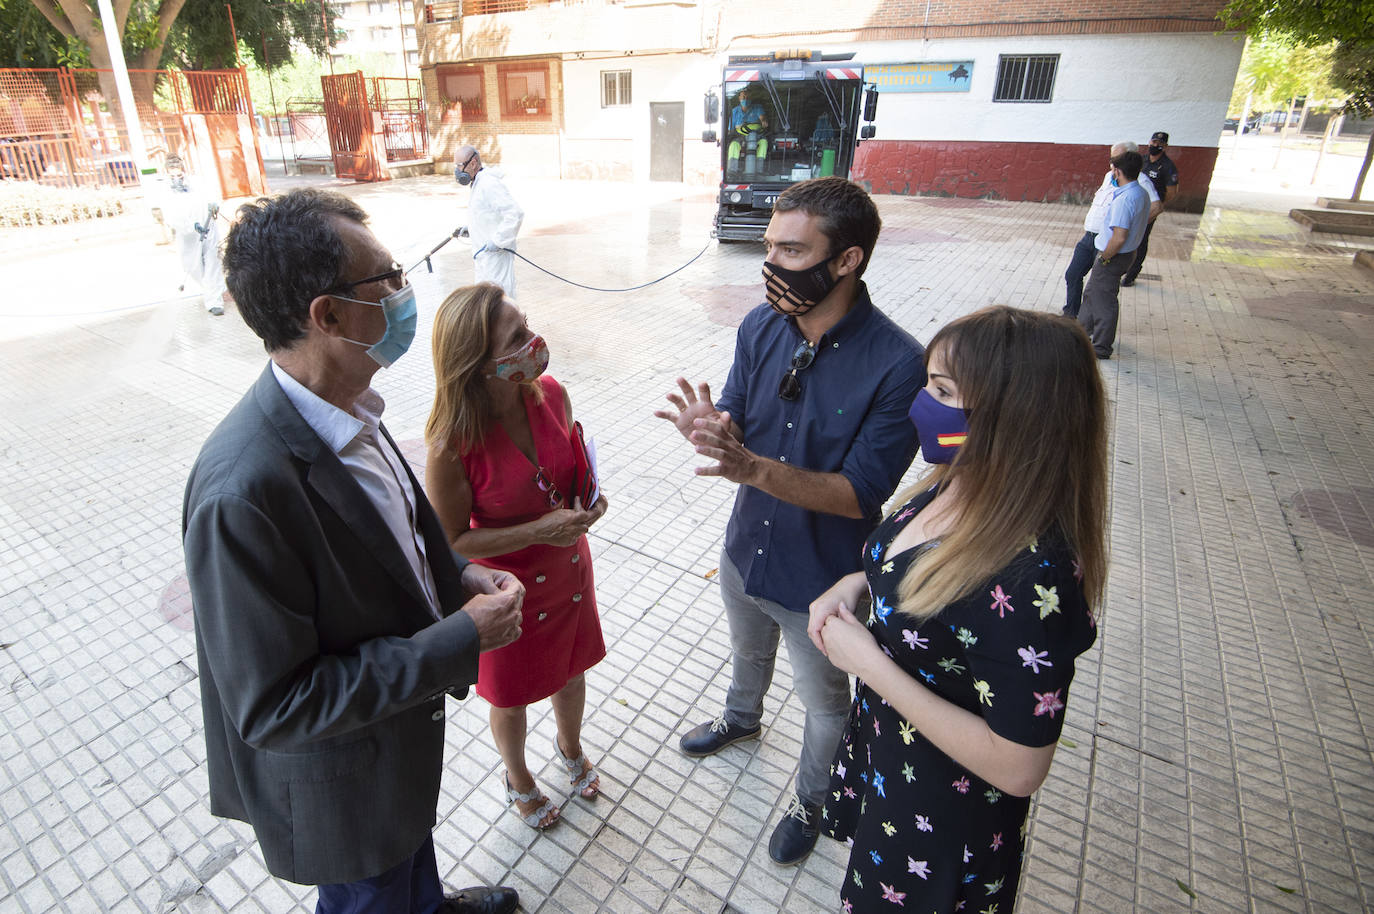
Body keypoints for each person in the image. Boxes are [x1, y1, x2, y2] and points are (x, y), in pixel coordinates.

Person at [183, 188, 522, 914]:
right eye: (388, 277)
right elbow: (275, 706)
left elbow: (397, 541)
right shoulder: (242, 493)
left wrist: (460, 576)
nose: (404, 293)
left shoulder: (351, 408)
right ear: (328, 315)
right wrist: (460, 638)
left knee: (407, 853)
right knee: (371, 890)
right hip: (343, 782)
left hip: (393, 750)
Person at [656, 176, 925, 866]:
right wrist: (715, 429)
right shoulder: (760, 326)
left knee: (826, 704)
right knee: (747, 653)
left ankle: (813, 799)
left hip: (822, 582)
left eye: (793, 251)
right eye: (770, 246)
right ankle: (741, 719)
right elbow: (740, 413)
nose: (771, 264)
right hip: (746, 550)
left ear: (847, 260)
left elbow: (862, 494)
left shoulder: (900, 364)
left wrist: (750, 468)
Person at [811, 305, 1106, 914]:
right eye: (929, 384)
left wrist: (868, 665)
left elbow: (1020, 767)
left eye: (943, 392)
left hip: (941, 823)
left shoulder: (1032, 576)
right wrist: (858, 581)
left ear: (1011, 418)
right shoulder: (957, 477)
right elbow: (926, 573)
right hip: (893, 767)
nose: (922, 405)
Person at [425, 282, 608, 832]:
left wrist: (590, 503)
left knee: (571, 671)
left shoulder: (551, 393)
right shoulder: (451, 443)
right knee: (511, 697)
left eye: (526, 324)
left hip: (569, 570)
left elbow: (573, 474)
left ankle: (570, 747)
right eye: (516, 337)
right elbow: (452, 541)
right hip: (507, 590)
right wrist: (540, 529)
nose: (534, 341)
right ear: (477, 364)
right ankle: (518, 777)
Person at [1062, 141, 1159, 319]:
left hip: (1108, 242)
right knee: (1073, 275)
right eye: (1111, 158)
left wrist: (1133, 228)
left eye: (1116, 159)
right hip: (1090, 236)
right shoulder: (1110, 176)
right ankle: (1071, 315)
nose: (1112, 164)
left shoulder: (1141, 181)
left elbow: (1156, 206)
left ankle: (1093, 325)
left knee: (1099, 290)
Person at [1078, 148, 1150, 359]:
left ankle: (1101, 347)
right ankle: (1079, 334)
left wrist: (1104, 257)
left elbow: (1119, 237)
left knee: (1104, 300)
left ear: (1117, 172)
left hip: (1114, 256)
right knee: (1092, 293)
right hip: (1126, 254)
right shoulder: (1141, 193)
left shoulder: (1125, 199)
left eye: (1113, 171)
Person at [454, 145, 524, 297]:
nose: (457, 171)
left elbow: (515, 213)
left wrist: (498, 241)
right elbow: (487, 214)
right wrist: (472, 228)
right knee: (485, 300)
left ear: (473, 163)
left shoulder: (489, 184)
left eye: (459, 165)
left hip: (496, 257)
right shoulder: (478, 183)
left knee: (500, 299)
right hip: (484, 257)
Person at [1121, 131, 1179, 287]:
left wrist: (1157, 204)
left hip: (1150, 209)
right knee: (1126, 235)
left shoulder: (1168, 166)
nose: (1155, 145)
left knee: (1141, 240)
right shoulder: (1142, 160)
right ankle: (1123, 268)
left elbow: (1172, 192)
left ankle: (1131, 275)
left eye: (1159, 144)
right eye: (1153, 142)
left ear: (1165, 146)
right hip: (1133, 205)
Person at [727, 86, 769, 174]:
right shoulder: (734, 111)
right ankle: (732, 171)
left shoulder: (757, 108)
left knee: (764, 143)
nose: (745, 99)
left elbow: (762, 118)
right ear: (739, 98)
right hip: (741, 137)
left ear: (751, 98)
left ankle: (759, 170)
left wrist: (763, 121)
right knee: (733, 145)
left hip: (757, 136)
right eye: (743, 97)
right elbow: (730, 129)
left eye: (748, 97)